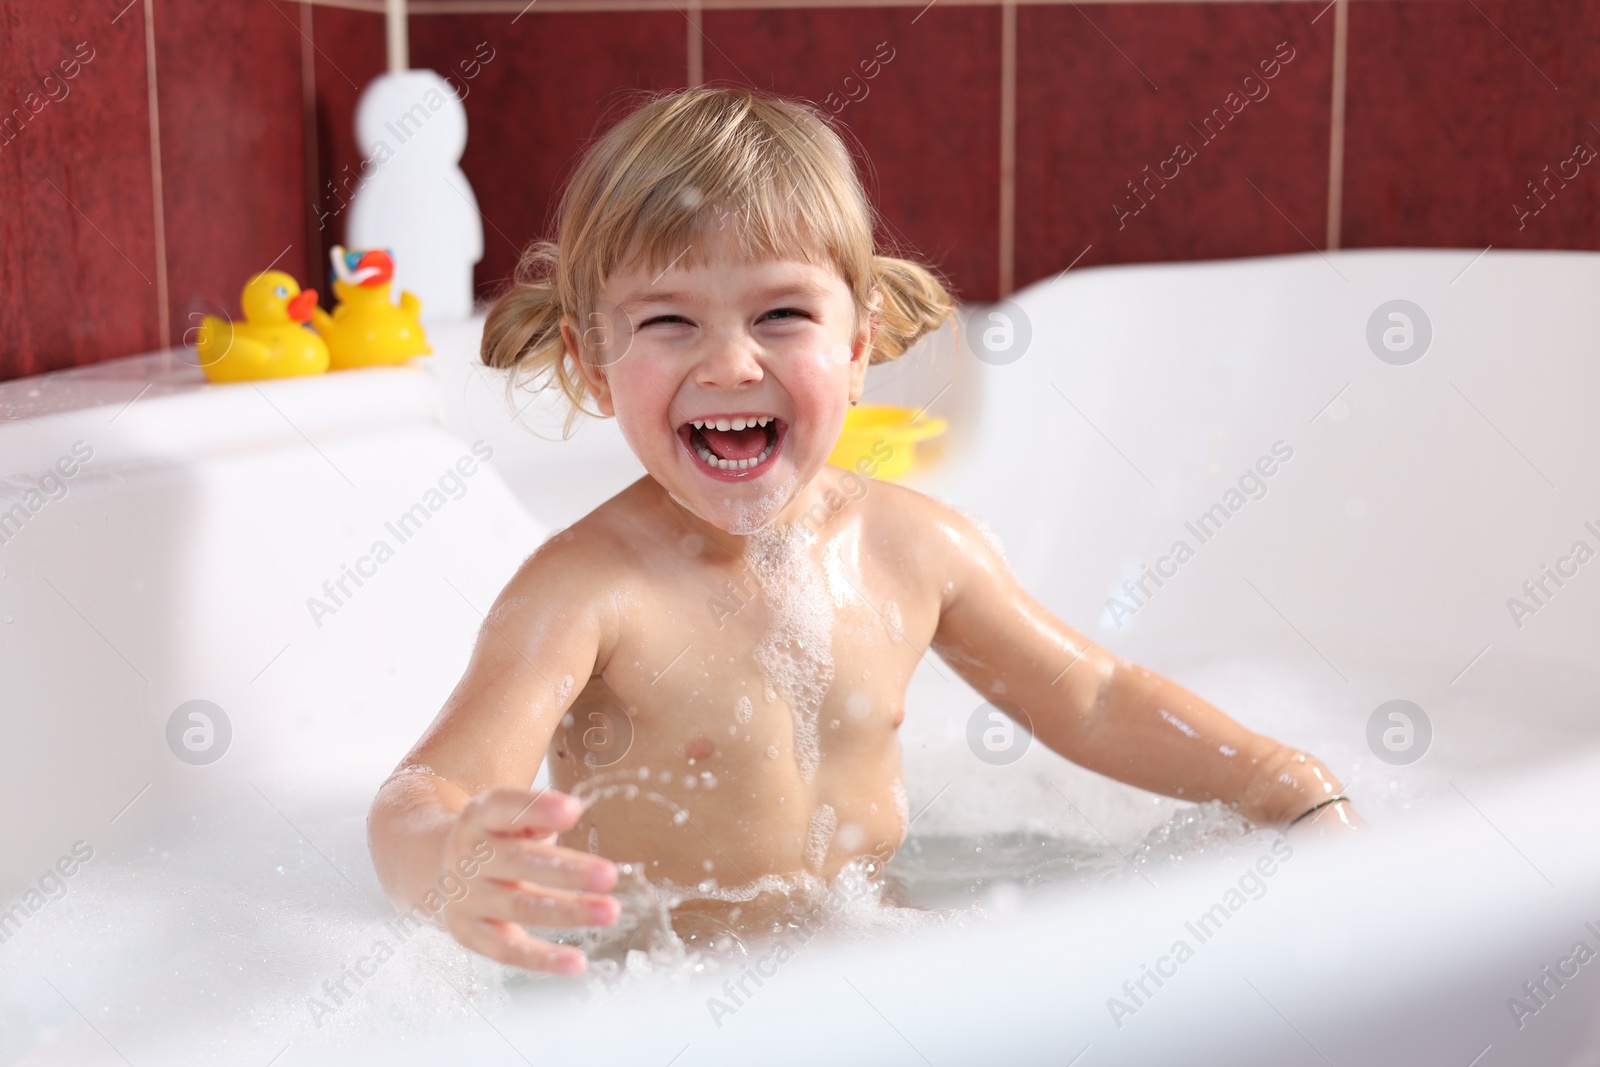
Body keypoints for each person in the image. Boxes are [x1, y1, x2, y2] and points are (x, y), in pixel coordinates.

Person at [366, 86, 1358, 975]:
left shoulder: (912, 546)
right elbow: (424, 790)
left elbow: (1092, 699)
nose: (728, 363)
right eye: (669, 321)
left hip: (877, 955)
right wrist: (453, 859)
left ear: (857, 343)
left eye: (782, 313)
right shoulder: (585, 591)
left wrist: (1280, 781)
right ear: (590, 358)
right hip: (666, 991)